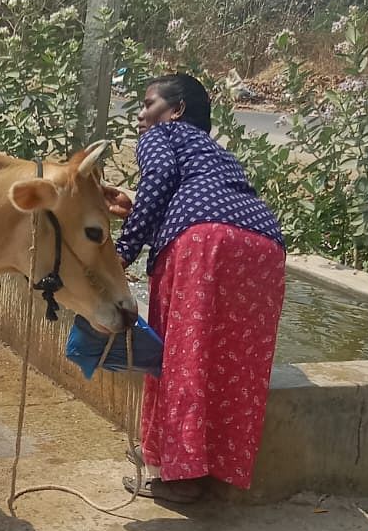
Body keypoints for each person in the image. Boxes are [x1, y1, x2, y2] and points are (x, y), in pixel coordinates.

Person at [107, 72, 286, 505]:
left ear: (176, 111)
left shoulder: (163, 136)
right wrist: (138, 207)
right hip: (265, 247)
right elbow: (188, 193)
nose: (140, 115)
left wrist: (121, 253)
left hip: (204, 243)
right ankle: (211, 466)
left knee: (181, 356)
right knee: (234, 363)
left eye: (148, 104)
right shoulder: (218, 155)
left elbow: (162, 176)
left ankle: (179, 475)